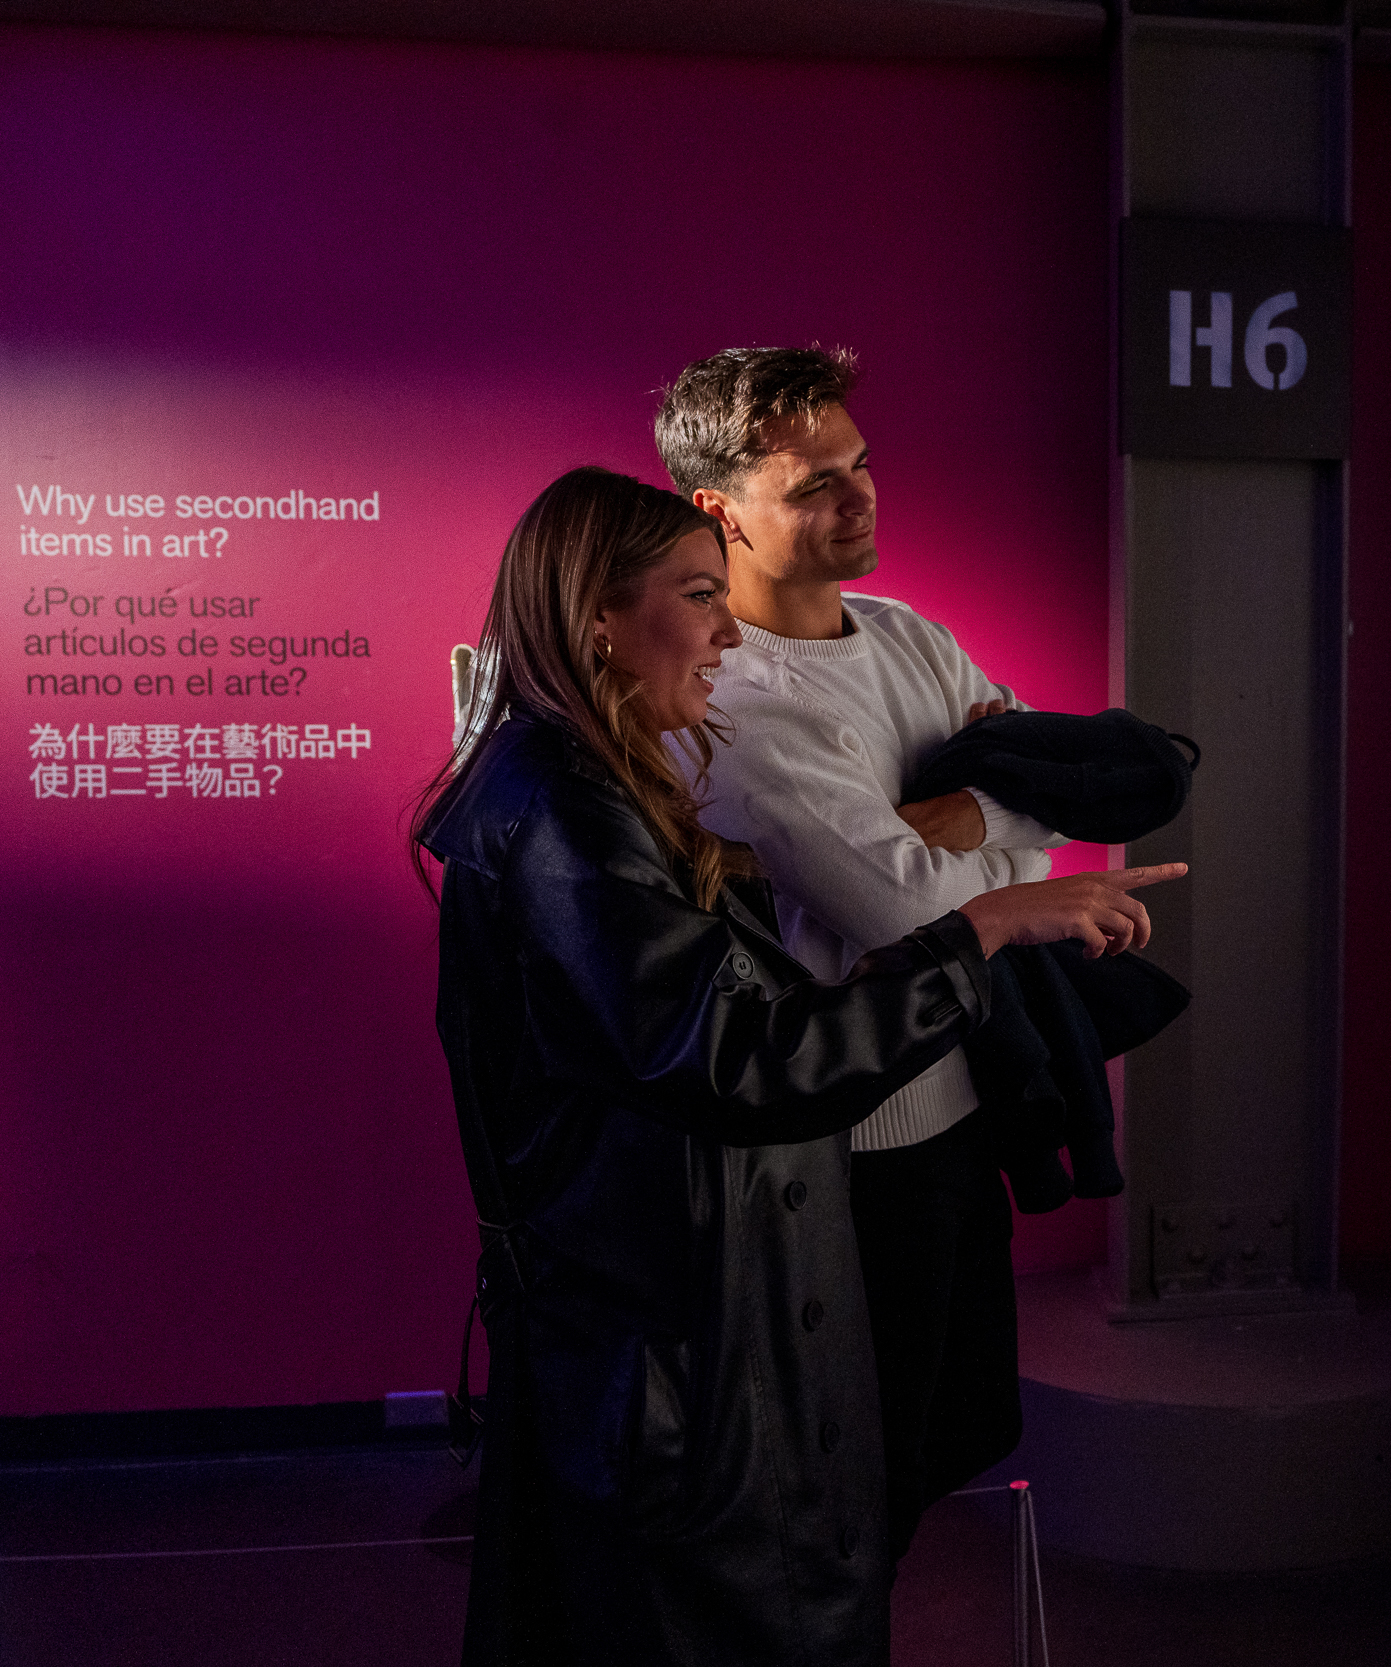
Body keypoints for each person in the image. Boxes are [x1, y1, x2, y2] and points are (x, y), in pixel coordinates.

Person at [411, 465, 1177, 1666]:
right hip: (675, 1355)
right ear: (597, 617)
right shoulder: (567, 815)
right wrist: (978, 923)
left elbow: (1016, 761)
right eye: (698, 595)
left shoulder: (602, 784)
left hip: (689, 1334)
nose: (728, 631)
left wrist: (950, 843)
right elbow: (740, 1057)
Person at [653, 347, 1059, 1559]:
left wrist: (966, 822)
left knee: (932, 1447)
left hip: (952, 1108)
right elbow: (911, 919)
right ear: (719, 512)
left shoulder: (907, 635)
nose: (858, 495)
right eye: (812, 483)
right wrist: (981, 830)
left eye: (861, 463)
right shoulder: (730, 694)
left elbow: (1055, 799)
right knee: (833, 1494)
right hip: (836, 1153)